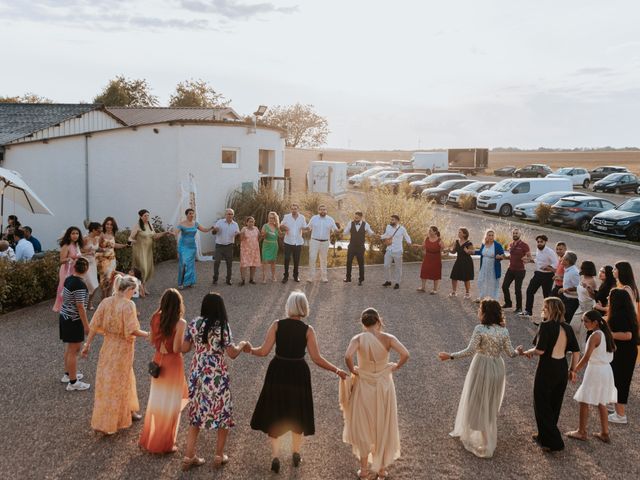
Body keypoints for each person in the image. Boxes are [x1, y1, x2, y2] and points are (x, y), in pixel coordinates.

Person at [248, 291, 347, 474]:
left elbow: (263, 351)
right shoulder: (308, 330)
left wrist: (249, 350)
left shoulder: (277, 325)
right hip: (299, 372)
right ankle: (295, 453)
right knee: (297, 412)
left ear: (289, 306)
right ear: (304, 307)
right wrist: (337, 370)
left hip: (278, 370)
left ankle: (276, 456)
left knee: (276, 411)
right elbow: (317, 358)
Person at [440, 299, 524, 458]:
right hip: (498, 368)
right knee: (489, 402)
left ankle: (486, 443)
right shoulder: (503, 331)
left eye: (480, 309)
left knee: (478, 401)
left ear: (485, 313)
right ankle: (486, 437)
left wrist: (450, 356)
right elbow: (511, 353)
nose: (478, 312)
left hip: (482, 367)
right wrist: (519, 351)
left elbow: (469, 350)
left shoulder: (480, 329)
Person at [181, 293, 249, 471]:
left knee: (195, 415)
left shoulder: (194, 323)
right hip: (216, 374)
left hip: (197, 373)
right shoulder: (222, 326)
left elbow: (184, 348)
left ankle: (188, 456)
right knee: (223, 413)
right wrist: (242, 344)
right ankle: (219, 455)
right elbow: (232, 353)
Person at [341, 308, 409, 479]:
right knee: (383, 422)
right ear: (379, 321)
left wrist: (354, 371)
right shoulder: (388, 338)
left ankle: (364, 471)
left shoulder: (357, 338)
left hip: (364, 384)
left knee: (363, 425)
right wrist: (395, 366)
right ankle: (381, 469)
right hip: (384, 385)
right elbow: (405, 354)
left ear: (363, 323)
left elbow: (348, 356)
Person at [81, 275, 149, 434]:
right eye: (134, 291)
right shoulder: (128, 305)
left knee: (108, 381)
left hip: (108, 347)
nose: (134, 294)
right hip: (123, 349)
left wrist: (87, 344)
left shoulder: (105, 302)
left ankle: (128, 411)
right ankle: (114, 419)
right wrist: (147, 334)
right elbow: (132, 329)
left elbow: (94, 324)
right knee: (120, 381)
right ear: (130, 289)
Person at [522, 297, 580, 452]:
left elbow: (540, 350)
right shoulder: (567, 328)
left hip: (547, 367)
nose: (543, 310)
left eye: (544, 308)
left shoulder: (546, 325)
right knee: (555, 402)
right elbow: (576, 351)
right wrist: (573, 370)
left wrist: (528, 352)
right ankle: (544, 436)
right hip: (562, 367)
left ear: (550, 309)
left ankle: (553, 441)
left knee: (541, 402)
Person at [139, 289, 188, 453]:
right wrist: (190, 344)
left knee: (157, 401)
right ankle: (164, 443)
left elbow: (152, 339)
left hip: (158, 359)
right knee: (171, 403)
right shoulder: (180, 323)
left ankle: (150, 438)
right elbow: (176, 348)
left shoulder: (155, 317)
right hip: (173, 363)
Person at [565, 310, 617, 443]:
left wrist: (574, 370)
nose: (584, 324)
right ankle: (605, 432)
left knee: (584, 400)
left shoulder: (595, 336)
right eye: (583, 321)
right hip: (606, 370)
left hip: (596, 371)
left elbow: (586, 357)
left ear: (595, 322)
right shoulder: (606, 333)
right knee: (601, 402)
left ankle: (581, 432)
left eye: (586, 321)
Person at [606, 288, 639, 425]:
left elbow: (628, 335)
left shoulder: (619, 316)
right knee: (616, 380)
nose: (608, 297)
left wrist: (609, 334)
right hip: (626, 352)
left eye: (609, 296)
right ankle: (613, 406)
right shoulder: (627, 313)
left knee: (620, 382)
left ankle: (620, 415)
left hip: (624, 353)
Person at [59, 258, 91, 391]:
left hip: (65, 316)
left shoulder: (69, 279)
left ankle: (68, 374)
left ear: (74, 268)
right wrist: (86, 325)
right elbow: (80, 306)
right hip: (74, 320)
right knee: (74, 350)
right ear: (87, 269)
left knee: (69, 348)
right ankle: (73, 382)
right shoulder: (80, 285)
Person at [129, 209, 171, 286]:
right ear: (141, 216)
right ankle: (140, 287)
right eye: (145, 215)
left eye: (148, 215)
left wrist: (165, 233)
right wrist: (132, 241)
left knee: (148, 269)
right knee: (143, 269)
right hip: (139, 251)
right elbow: (130, 238)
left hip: (148, 251)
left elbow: (154, 236)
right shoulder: (137, 226)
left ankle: (143, 287)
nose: (147, 217)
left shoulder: (150, 225)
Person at [173, 208, 212, 289]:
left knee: (190, 264)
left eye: (193, 213)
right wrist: (172, 233)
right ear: (186, 214)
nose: (192, 215)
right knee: (183, 263)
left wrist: (211, 228)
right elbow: (176, 232)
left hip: (192, 247)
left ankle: (190, 282)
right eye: (190, 213)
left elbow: (204, 230)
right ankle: (181, 283)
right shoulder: (182, 224)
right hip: (183, 246)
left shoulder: (196, 224)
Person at [520, 235, 558, 318]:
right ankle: (528, 311)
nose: (539, 243)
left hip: (548, 276)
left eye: (541, 242)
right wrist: (529, 260)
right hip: (538, 274)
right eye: (538, 242)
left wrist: (548, 267)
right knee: (530, 291)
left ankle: (548, 316)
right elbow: (538, 261)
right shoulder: (538, 249)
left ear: (545, 242)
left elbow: (556, 264)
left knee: (546, 296)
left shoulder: (550, 252)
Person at [306, 204, 340, 283]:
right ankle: (310, 277)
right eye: (321, 209)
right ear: (318, 211)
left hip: (325, 242)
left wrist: (338, 231)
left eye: (324, 209)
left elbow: (335, 229)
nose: (322, 211)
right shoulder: (314, 218)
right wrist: (303, 228)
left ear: (326, 211)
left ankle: (324, 277)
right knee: (312, 258)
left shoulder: (330, 219)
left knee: (323, 260)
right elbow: (308, 227)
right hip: (314, 241)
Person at [53, 227, 84, 313]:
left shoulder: (76, 245)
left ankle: (72, 305)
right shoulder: (66, 246)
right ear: (69, 235)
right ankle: (61, 306)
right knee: (64, 287)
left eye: (77, 233)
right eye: (73, 233)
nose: (75, 235)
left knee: (74, 287)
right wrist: (70, 258)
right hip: (66, 270)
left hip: (74, 269)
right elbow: (61, 260)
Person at [97, 217, 127, 300]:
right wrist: (103, 249)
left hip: (112, 260)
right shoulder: (101, 234)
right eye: (107, 224)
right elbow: (97, 247)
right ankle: (103, 300)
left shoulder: (112, 234)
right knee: (104, 280)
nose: (109, 226)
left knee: (111, 279)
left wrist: (124, 245)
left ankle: (109, 299)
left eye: (111, 224)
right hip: (103, 260)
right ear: (104, 225)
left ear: (113, 226)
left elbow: (114, 245)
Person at [501, 228, 530, 313]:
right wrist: (504, 257)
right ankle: (508, 303)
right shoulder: (511, 244)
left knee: (517, 289)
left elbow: (530, 257)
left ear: (520, 235)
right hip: (510, 269)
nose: (515, 235)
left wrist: (526, 259)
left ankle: (519, 308)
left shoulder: (524, 245)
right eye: (514, 233)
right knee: (504, 286)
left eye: (517, 233)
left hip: (520, 271)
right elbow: (511, 256)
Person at [570, 261, 598, 351]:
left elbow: (594, 296)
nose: (580, 268)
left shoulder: (592, 281)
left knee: (583, 331)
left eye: (582, 267)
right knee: (573, 326)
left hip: (588, 307)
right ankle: (575, 347)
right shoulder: (582, 278)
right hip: (580, 305)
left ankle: (581, 351)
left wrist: (588, 288)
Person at [343, 211, 375, 286]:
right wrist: (343, 230)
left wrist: (377, 235)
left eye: (357, 217)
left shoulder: (365, 224)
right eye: (354, 217)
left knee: (361, 263)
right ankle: (348, 278)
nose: (355, 218)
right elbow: (345, 233)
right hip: (352, 246)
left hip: (360, 247)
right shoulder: (350, 223)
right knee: (348, 262)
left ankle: (361, 279)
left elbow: (370, 233)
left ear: (361, 217)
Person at [380, 215, 412, 290]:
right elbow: (386, 235)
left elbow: (406, 236)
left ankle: (397, 282)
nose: (391, 221)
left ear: (397, 221)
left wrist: (409, 242)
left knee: (398, 268)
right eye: (391, 220)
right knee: (386, 265)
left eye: (393, 220)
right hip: (389, 250)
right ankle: (388, 281)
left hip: (398, 251)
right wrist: (380, 236)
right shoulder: (388, 227)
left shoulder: (402, 229)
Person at [211, 208, 240, 286]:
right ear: (225, 215)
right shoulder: (220, 222)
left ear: (233, 215)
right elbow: (213, 232)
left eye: (231, 214)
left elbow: (237, 234)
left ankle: (228, 279)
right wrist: (215, 230)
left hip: (229, 246)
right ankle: (215, 279)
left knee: (229, 263)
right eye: (228, 214)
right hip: (219, 246)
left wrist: (238, 235)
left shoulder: (235, 224)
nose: (230, 215)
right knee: (217, 262)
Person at [475, 229, 505, 302]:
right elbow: (480, 252)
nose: (491, 237)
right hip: (484, 266)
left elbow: (503, 254)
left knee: (492, 282)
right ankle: (482, 297)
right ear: (486, 236)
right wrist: (471, 252)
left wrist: (500, 256)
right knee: (483, 281)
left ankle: (493, 299)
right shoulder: (484, 244)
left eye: (492, 235)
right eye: (489, 235)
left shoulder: (497, 245)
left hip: (493, 267)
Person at [280, 203, 307, 283]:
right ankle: (285, 276)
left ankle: (296, 276)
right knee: (287, 259)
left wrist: (307, 228)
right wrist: (285, 227)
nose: (294, 210)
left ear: (298, 209)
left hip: (298, 242)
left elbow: (304, 227)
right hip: (288, 241)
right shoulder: (286, 217)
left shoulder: (302, 217)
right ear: (290, 209)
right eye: (292, 209)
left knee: (296, 260)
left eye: (295, 209)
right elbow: (281, 225)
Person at [417, 225, 444, 294]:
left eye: (430, 231)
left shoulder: (439, 240)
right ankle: (423, 288)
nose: (429, 231)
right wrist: (417, 246)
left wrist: (442, 250)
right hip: (427, 257)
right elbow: (423, 247)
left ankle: (435, 289)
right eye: (429, 230)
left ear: (435, 232)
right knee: (424, 271)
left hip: (436, 258)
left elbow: (442, 249)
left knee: (435, 273)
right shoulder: (426, 238)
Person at [449, 227, 474, 298]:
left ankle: (467, 293)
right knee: (454, 276)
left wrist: (468, 251)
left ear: (464, 234)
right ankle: (454, 292)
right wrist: (449, 250)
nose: (458, 233)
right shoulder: (456, 242)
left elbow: (472, 252)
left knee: (466, 278)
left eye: (460, 232)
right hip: (458, 261)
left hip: (467, 262)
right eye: (458, 232)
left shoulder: (469, 243)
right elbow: (453, 252)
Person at [82, 222, 102, 310]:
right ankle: (81, 303)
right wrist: (87, 252)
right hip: (85, 263)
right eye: (98, 231)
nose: (100, 232)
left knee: (95, 284)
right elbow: (78, 252)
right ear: (93, 230)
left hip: (93, 263)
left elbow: (96, 248)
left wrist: (104, 250)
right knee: (88, 283)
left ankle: (89, 301)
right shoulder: (85, 239)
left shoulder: (97, 238)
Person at [240, 216, 262, 286]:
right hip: (245, 250)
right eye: (249, 222)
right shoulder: (244, 229)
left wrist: (260, 239)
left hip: (254, 250)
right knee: (244, 265)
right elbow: (241, 239)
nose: (251, 223)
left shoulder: (256, 229)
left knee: (253, 264)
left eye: (252, 222)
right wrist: (242, 233)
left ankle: (251, 279)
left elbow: (258, 238)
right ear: (247, 222)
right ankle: (243, 280)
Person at [558, 251, 580, 322]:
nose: (561, 259)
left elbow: (577, 288)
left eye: (563, 258)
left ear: (567, 261)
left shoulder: (574, 272)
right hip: (566, 298)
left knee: (566, 320)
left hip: (571, 301)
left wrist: (564, 289)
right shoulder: (568, 269)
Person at [261, 211, 280, 283]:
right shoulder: (265, 226)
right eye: (270, 218)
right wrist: (264, 234)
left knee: (273, 262)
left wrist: (287, 232)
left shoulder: (277, 226)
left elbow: (280, 235)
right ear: (268, 218)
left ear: (275, 219)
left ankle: (273, 276)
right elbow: (262, 235)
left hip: (274, 245)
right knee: (265, 261)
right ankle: (264, 277)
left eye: (273, 218)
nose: (271, 219)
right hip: (266, 245)